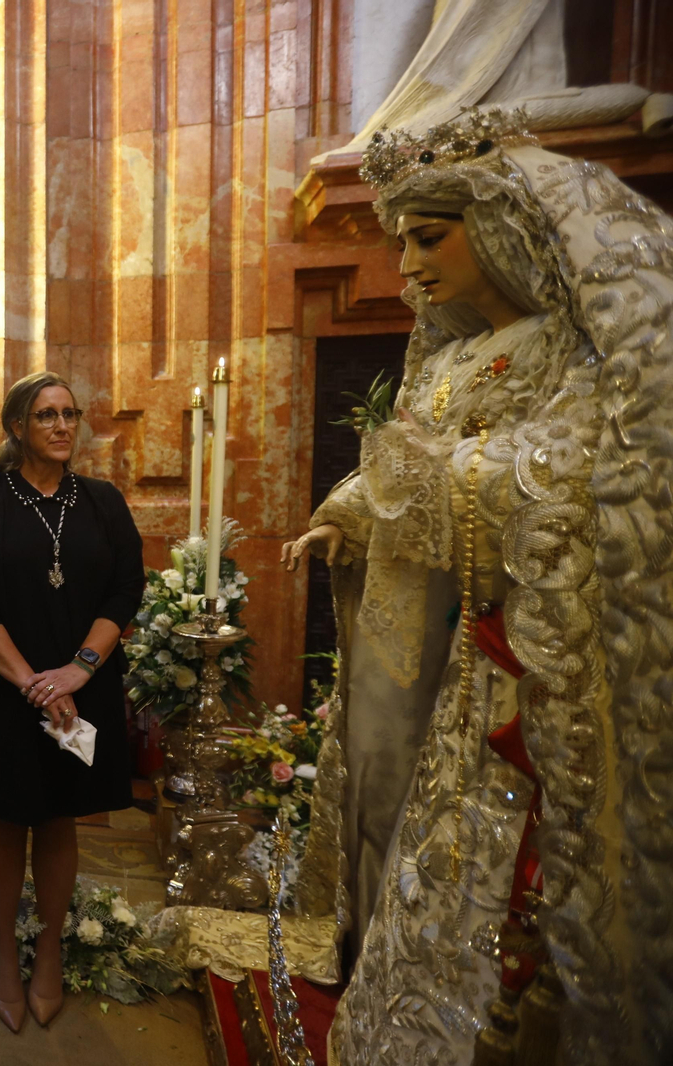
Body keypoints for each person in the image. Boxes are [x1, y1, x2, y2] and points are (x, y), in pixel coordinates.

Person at [283, 110, 673, 1062]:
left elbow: (571, 469)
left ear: (496, 230)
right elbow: (396, 467)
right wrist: (344, 511)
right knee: (385, 792)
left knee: (466, 828)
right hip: (413, 626)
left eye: (428, 237)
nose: (408, 265)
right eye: (401, 242)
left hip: (499, 641)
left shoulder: (565, 348)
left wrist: (442, 477)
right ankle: (373, 946)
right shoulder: (446, 355)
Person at [0, 371, 144, 1033]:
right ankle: (2, 949)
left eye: (70, 415)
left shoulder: (103, 502)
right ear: (17, 426)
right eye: (46, 415)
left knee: (59, 820)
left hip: (81, 688)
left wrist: (76, 672)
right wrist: (32, 682)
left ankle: (47, 948)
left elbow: (124, 590)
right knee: (5, 817)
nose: (61, 426)